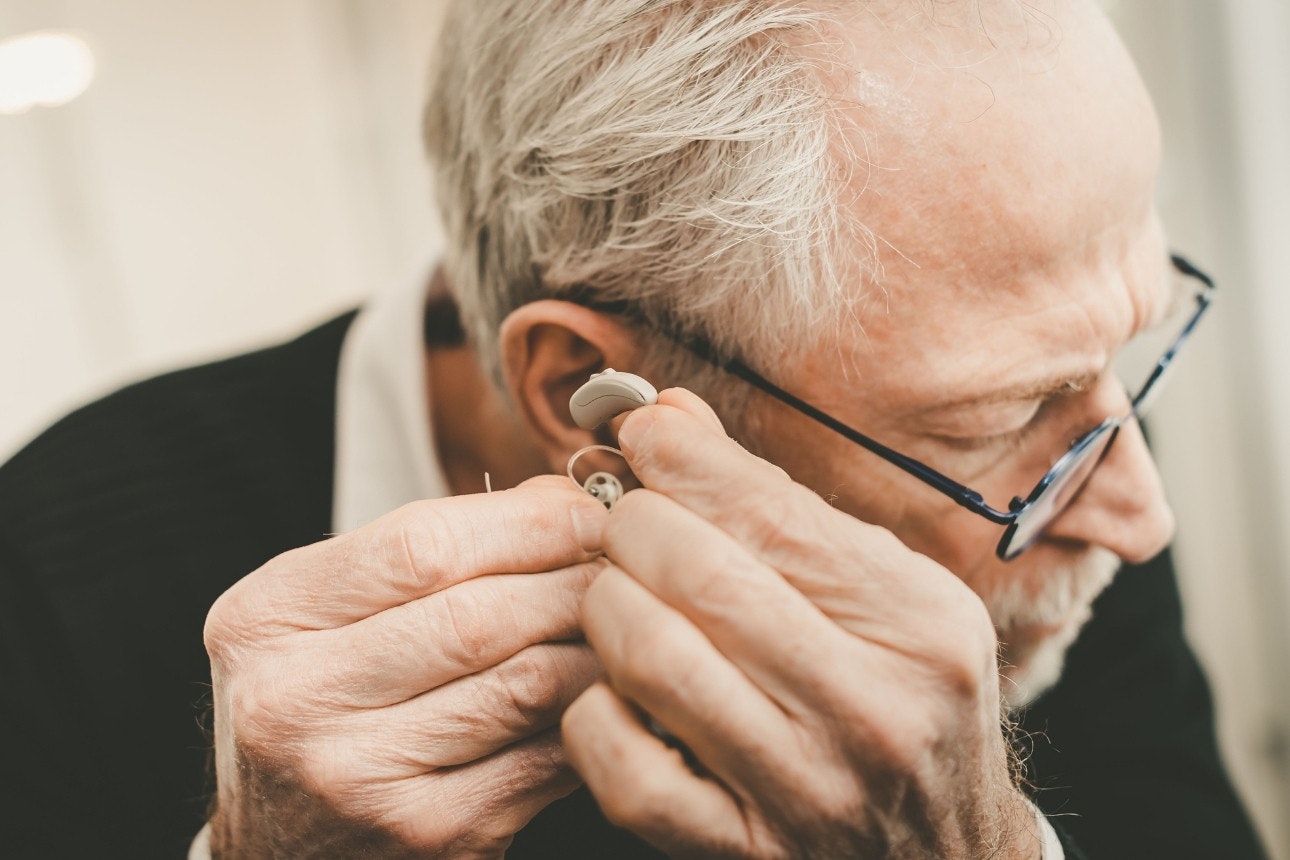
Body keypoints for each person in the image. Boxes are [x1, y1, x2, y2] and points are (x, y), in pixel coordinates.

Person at [0, 0, 1269, 857]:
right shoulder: (46, 574)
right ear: (586, 396)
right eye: (1005, 412)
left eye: (1124, 356)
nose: (1142, 514)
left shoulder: (1058, 502)